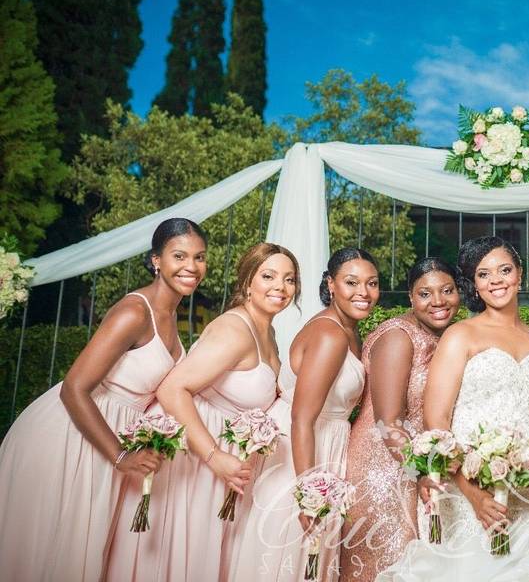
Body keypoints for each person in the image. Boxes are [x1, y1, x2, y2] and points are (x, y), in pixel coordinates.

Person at [0, 218, 207, 582]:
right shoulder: (135, 311)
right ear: (156, 260)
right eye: (179, 256)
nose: (191, 267)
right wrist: (122, 455)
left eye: (199, 257)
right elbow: (74, 388)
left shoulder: (171, 314)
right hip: (73, 433)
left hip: (110, 435)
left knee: (82, 551)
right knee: (52, 550)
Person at [377, 236, 529, 581]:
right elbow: (438, 420)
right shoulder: (460, 336)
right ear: (474, 285)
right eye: (484, 274)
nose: (496, 280)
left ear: (520, 274)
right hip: (469, 489)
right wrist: (472, 491)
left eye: (505, 270)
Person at [105, 242, 299, 582]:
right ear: (247, 283)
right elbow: (172, 389)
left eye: (289, 279)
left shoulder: (267, 330)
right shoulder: (234, 329)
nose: (280, 288)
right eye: (268, 276)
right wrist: (213, 455)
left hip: (226, 458)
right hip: (198, 457)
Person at [232, 247, 379, 582]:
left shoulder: (347, 329)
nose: (363, 292)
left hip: (320, 448)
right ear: (331, 283)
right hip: (305, 457)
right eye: (351, 282)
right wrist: (308, 494)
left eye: (372, 283)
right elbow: (302, 418)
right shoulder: (330, 334)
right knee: (292, 557)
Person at [340, 257, 460, 580]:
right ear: (410, 297)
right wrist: (419, 471)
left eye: (447, 290)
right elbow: (387, 421)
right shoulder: (398, 336)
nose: (438, 301)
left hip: (414, 467)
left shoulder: (448, 337)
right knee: (387, 564)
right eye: (425, 294)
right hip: (381, 469)